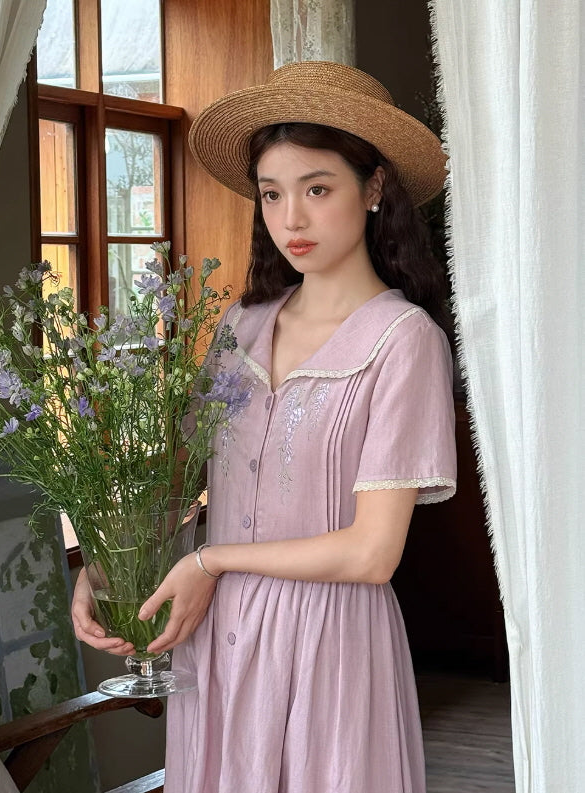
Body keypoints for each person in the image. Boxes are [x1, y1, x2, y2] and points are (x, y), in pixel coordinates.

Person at [72, 61, 457, 793]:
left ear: (373, 188)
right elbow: (188, 487)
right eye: (273, 194)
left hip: (329, 644)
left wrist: (213, 562)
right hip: (215, 638)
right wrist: (106, 566)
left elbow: (373, 553)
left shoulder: (403, 341)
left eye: (318, 189)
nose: (291, 220)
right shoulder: (238, 328)